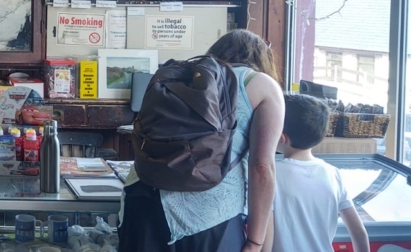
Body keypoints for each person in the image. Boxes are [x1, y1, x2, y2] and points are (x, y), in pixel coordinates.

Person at [119, 29, 285, 252]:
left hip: (143, 198)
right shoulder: (261, 84)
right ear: (262, 58)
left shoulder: (184, 78)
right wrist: (256, 242)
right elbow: (262, 167)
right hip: (208, 215)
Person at [266, 94, 369, 252]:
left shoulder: (271, 175)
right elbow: (359, 233)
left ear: (281, 137)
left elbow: (266, 241)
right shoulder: (334, 174)